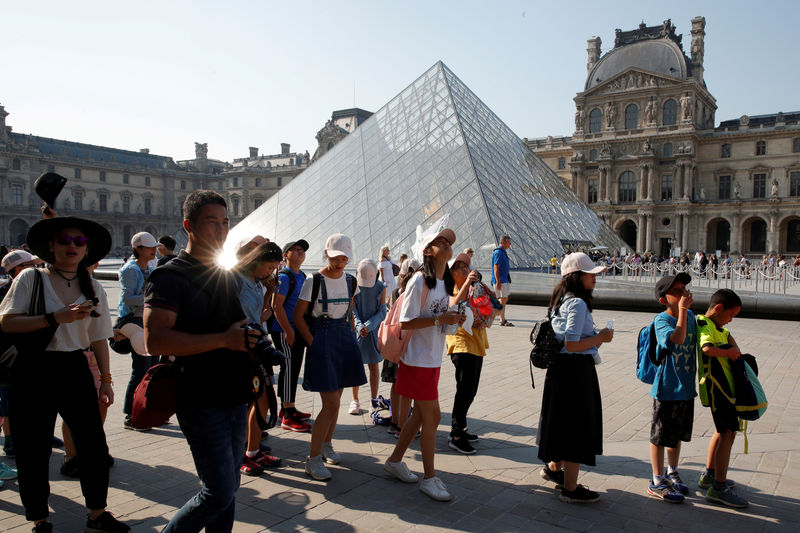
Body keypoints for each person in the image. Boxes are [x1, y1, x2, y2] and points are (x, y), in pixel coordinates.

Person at [0, 217, 129, 533]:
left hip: (74, 368)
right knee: (33, 449)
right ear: (51, 247)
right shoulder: (31, 279)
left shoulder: (93, 285)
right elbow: (6, 322)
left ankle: (97, 513)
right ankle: (39, 519)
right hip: (32, 370)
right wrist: (54, 318)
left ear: (87, 250)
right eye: (65, 240)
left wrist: (107, 381)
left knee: (94, 446)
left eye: (79, 241)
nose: (72, 245)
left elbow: (99, 336)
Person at [144, 191, 262, 532]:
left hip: (235, 392)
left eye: (225, 223)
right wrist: (224, 340)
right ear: (188, 226)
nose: (222, 230)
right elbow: (156, 340)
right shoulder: (169, 276)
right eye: (212, 222)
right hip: (199, 395)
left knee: (229, 489)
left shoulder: (223, 272)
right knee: (218, 491)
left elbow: (234, 325)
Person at [383, 226, 465, 502]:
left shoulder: (443, 283)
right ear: (427, 250)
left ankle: (395, 461)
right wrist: (441, 320)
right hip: (417, 360)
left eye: (449, 241)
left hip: (431, 358)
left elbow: (436, 318)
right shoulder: (420, 280)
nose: (447, 243)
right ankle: (429, 479)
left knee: (419, 416)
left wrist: (451, 320)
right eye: (440, 241)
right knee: (433, 417)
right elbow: (406, 322)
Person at [538, 252, 611, 504]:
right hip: (575, 371)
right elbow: (572, 344)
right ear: (577, 276)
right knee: (576, 426)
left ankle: (554, 467)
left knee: (561, 421)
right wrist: (601, 337)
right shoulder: (578, 303)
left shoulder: (560, 299)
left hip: (560, 371)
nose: (595, 278)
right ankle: (570, 488)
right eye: (591, 274)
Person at [293, 234, 367, 481]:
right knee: (331, 403)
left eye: (344, 258)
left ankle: (326, 444)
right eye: (336, 258)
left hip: (343, 338)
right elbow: (298, 316)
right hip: (323, 336)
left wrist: (352, 335)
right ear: (326, 254)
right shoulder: (313, 280)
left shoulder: (350, 280)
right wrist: (313, 343)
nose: (340, 263)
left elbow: (350, 309)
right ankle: (312, 459)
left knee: (338, 396)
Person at [231, 241, 284, 476]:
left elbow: (261, 314)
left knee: (262, 400)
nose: (269, 272)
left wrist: (270, 292)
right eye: (269, 267)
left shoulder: (256, 282)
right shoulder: (234, 279)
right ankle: (240, 454)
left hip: (255, 347)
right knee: (243, 404)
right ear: (256, 260)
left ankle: (252, 451)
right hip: (236, 350)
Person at [647, 273, 697, 503]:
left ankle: (672, 470)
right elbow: (677, 338)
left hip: (686, 387)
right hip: (666, 388)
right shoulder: (662, 320)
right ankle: (657, 479)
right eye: (676, 291)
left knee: (676, 434)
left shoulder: (693, 318)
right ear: (663, 300)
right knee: (659, 435)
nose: (683, 293)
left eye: (683, 289)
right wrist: (684, 312)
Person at [696, 289, 748, 508]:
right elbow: (707, 348)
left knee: (722, 431)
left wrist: (730, 344)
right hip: (718, 388)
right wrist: (727, 352)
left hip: (726, 387)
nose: (731, 320)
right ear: (718, 309)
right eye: (731, 315)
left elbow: (736, 348)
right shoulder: (704, 325)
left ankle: (710, 473)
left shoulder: (720, 328)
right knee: (727, 432)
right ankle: (718, 487)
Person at [445, 253, 489, 455]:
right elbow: (453, 304)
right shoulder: (449, 290)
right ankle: (456, 434)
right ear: (452, 273)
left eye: (467, 267)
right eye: (461, 268)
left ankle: (460, 428)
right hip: (461, 343)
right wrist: (467, 284)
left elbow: (489, 309)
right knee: (464, 389)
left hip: (476, 343)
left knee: (471, 390)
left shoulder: (473, 289)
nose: (466, 270)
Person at [270, 239, 312, 433]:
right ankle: (287, 415)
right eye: (295, 250)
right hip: (284, 331)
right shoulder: (285, 277)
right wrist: (288, 330)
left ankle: (289, 406)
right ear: (285, 255)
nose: (300, 252)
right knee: (287, 369)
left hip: (295, 331)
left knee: (294, 370)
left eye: (302, 250)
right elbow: (276, 306)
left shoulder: (301, 275)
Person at [119, 231, 159, 430]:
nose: (154, 251)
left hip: (148, 320)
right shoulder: (131, 270)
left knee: (152, 367)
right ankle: (130, 414)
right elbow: (127, 298)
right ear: (139, 249)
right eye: (150, 247)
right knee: (141, 369)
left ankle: (147, 409)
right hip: (134, 321)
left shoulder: (149, 267)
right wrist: (151, 298)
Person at [383, 257, 419, 436]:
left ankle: (394, 421)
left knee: (395, 384)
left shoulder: (396, 292)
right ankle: (402, 426)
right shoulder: (415, 293)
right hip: (409, 344)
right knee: (407, 386)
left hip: (394, 342)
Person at [350, 259, 387, 415]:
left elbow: (382, 311)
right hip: (359, 330)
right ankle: (355, 399)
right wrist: (360, 326)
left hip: (372, 330)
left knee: (373, 365)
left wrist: (368, 326)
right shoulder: (354, 286)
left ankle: (373, 399)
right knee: (356, 365)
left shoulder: (381, 287)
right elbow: (353, 309)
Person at [491, 235, 513, 326]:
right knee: (502, 299)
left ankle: (500, 318)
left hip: (504, 279)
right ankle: (499, 318)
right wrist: (498, 281)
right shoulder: (499, 252)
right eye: (509, 242)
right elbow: (496, 267)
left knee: (504, 299)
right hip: (501, 280)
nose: (510, 244)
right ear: (503, 242)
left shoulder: (502, 252)